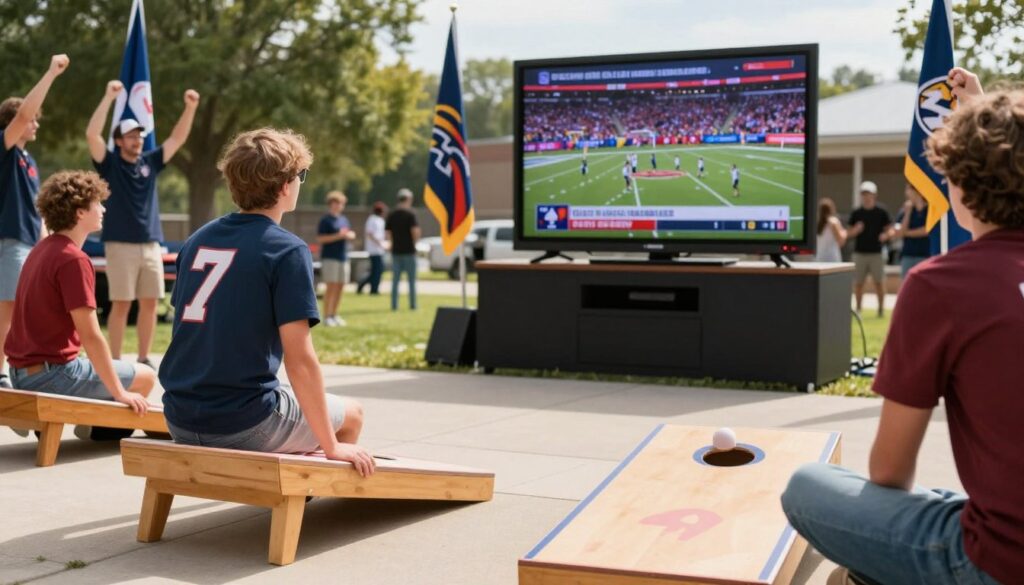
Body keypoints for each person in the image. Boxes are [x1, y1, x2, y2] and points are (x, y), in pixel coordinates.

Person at [781, 68, 1022, 585]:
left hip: (998, 565)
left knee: (807, 485)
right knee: (937, 500)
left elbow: (890, 472)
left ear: (958, 187)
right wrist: (984, 116)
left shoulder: (942, 285)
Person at [158, 128, 374, 476]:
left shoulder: (197, 240)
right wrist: (331, 446)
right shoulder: (286, 249)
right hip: (243, 422)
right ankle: (303, 500)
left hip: (179, 415)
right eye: (301, 175)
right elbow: (300, 360)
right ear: (285, 185)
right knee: (352, 413)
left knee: (289, 399)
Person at [4, 171, 154, 435]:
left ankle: (56, 421)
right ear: (80, 212)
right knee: (145, 377)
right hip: (51, 376)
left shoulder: (41, 249)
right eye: (98, 203)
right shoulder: (73, 259)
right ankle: (96, 429)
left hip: (19, 373)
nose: (103, 209)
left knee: (90, 364)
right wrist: (120, 393)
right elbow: (91, 335)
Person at [85, 80, 199, 368]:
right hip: (119, 244)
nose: (137, 140)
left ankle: (144, 358)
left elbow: (177, 139)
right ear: (119, 141)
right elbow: (91, 134)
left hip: (150, 243)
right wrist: (108, 97)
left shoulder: (150, 162)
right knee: (122, 304)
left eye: (139, 135)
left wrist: (191, 108)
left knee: (149, 302)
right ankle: (114, 360)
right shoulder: (109, 164)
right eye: (130, 136)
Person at [0, 54, 69, 390]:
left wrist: (46, 243)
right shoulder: (6, 148)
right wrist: (52, 72)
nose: (35, 124)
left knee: (23, 311)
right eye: (31, 120)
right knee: (8, 310)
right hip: (9, 242)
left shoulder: (28, 159)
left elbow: (35, 209)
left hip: (29, 243)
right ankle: (1, 374)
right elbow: (26, 111)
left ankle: (13, 372)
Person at [847, 181, 893, 316]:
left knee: (879, 282)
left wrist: (886, 236)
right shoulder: (856, 213)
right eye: (864, 194)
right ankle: (859, 310)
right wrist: (856, 230)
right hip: (859, 253)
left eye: (869, 194)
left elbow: (890, 230)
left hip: (877, 253)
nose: (866, 197)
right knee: (858, 283)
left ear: (874, 195)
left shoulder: (882, 211)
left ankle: (880, 310)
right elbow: (848, 233)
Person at [316, 191, 355, 327]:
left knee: (340, 287)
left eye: (341, 203)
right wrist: (339, 236)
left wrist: (349, 235)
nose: (338, 206)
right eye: (335, 203)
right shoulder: (325, 220)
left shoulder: (344, 219)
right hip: (330, 257)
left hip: (343, 257)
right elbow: (321, 239)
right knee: (331, 287)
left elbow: (349, 233)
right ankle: (326, 316)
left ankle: (334, 315)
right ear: (330, 204)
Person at [385, 188, 420, 311]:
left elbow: (388, 232)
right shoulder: (411, 214)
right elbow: (415, 231)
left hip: (396, 251)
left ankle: (394, 305)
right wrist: (415, 243)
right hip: (409, 251)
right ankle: (413, 305)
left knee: (395, 281)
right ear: (408, 199)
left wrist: (391, 244)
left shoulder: (392, 214)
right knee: (411, 281)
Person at [893, 184, 930, 280]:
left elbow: (926, 230)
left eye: (908, 190)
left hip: (925, 255)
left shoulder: (928, 210)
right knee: (906, 285)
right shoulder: (904, 211)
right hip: (907, 255)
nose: (906, 193)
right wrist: (908, 213)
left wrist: (906, 233)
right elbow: (899, 232)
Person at [357, 201, 388, 295]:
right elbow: (370, 234)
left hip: (380, 250)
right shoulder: (372, 219)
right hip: (373, 250)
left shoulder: (381, 220)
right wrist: (379, 243)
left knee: (378, 271)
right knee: (376, 271)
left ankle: (371, 287)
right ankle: (373, 289)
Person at [815, 197, 847, 263]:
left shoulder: (817, 222)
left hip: (819, 257)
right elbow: (841, 241)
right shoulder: (833, 222)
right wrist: (845, 232)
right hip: (832, 258)